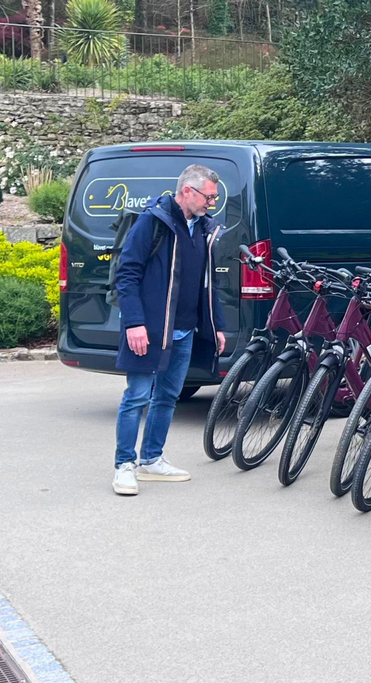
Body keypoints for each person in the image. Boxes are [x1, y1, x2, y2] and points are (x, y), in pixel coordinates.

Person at [110, 163, 227, 496]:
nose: (212, 203)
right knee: (136, 398)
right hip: (149, 330)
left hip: (185, 331)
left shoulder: (204, 229)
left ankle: (151, 459)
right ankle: (124, 466)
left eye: (214, 198)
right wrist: (134, 323)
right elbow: (127, 275)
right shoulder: (152, 222)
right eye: (208, 196)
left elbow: (210, 283)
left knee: (167, 397)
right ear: (187, 191)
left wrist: (216, 325)